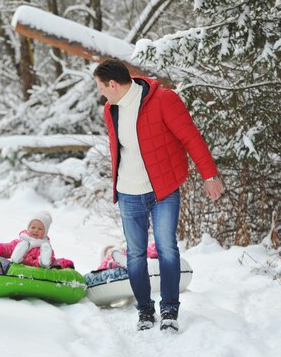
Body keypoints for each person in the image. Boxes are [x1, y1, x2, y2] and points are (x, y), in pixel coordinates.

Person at [93, 59, 224, 332]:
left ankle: (169, 310)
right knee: (136, 255)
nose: (101, 93)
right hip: (129, 193)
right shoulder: (111, 109)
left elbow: (191, 137)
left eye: (101, 87)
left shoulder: (163, 99)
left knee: (166, 249)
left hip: (162, 189)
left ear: (113, 84)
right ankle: (144, 311)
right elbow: (120, 151)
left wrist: (210, 176)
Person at [0, 211, 74, 269]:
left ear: (45, 232)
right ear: (28, 228)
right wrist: (0, 248)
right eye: (33, 227)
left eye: (40, 229)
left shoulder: (44, 246)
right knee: (15, 248)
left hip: (37, 265)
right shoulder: (20, 241)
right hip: (21, 263)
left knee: (48, 259)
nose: (35, 230)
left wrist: (66, 263)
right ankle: (17, 257)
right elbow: (8, 248)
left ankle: (44, 261)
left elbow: (55, 261)